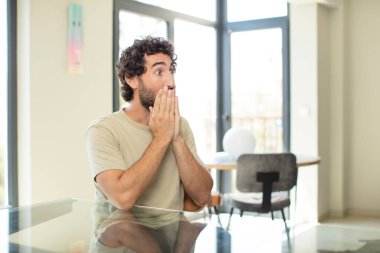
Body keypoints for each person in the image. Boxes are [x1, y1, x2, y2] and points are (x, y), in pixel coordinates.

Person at [86, 36, 213, 212]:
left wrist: (175, 138)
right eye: (159, 72)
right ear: (132, 79)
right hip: (118, 238)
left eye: (171, 72)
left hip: (168, 238)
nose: (171, 83)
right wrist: (162, 138)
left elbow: (203, 196)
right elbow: (123, 198)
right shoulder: (103, 131)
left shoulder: (180, 125)